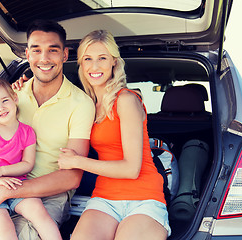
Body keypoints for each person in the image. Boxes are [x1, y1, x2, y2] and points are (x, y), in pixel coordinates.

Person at [0, 19, 95, 240]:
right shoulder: (11, 97)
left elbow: (71, 178)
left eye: (52, 50)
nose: (44, 59)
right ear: (27, 54)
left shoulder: (81, 104)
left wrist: (3, 190)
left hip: (48, 193)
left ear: (64, 55)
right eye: (36, 50)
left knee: (27, 235)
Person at [57, 30, 171, 239]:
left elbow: (131, 169)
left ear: (114, 63)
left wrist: (77, 161)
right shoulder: (86, 105)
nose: (95, 66)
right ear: (81, 65)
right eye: (88, 59)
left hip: (143, 198)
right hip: (104, 198)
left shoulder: (126, 100)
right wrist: (21, 88)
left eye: (102, 58)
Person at [0, 77, 62, 240]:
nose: (1, 108)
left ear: (15, 98)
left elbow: (27, 164)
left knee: (40, 213)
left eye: (5, 100)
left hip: (16, 185)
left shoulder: (27, 132)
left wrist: (1, 171)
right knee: (3, 226)